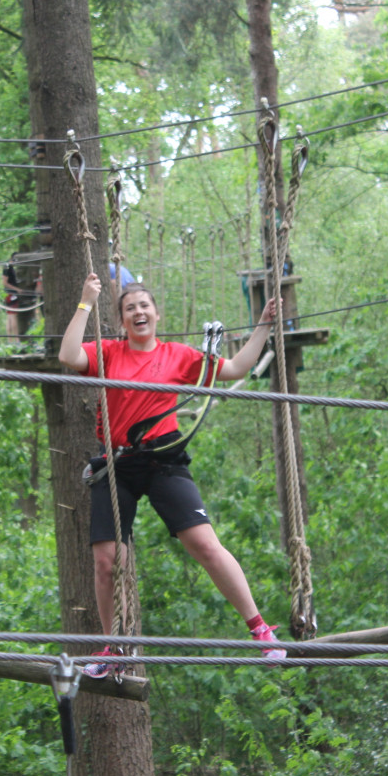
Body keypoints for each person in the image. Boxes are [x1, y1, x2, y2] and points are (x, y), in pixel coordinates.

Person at [59, 272, 286, 677]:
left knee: (204, 543)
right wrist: (85, 302)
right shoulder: (108, 353)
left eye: (144, 306)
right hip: (117, 466)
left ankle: (260, 630)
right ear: (122, 320)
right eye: (130, 309)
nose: (138, 312)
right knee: (106, 560)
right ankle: (113, 646)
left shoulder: (178, 355)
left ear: (157, 315)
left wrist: (264, 327)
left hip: (164, 458)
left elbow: (234, 368)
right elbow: (67, 356)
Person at [3, 255, 23, 342]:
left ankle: (10, 340)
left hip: (9, 295)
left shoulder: (9, 267)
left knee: (10, 318)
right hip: (11, 295)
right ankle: (16, 340)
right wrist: (17, 289)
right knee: (13, 317)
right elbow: (4, 283)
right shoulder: (7, 268)